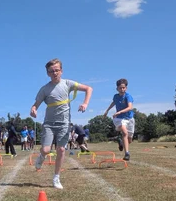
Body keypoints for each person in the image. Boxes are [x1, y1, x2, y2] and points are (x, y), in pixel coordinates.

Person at [30, 58, 93, 190]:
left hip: (64, 123)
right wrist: (33, 109)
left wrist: (85, 103)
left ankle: (56, 177)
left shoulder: (68, 84)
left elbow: (88, 89)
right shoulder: (45, 89)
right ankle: (41, 156)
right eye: (51, 71)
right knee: (46, 150)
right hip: (49, 123)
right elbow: (36, 104)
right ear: (47, 73)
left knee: (61, 149)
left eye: (57, 70)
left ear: (61, 71)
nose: (55, 73)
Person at [104, 78, 134, 161]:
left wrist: (119, 111)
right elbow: (114, 102)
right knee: (124, 132)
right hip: (119, 118)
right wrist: (107, 110)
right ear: (117, 88)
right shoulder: (116, 96)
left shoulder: (128, 96)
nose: (122, 89)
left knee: (129, 140)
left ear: (126, 88)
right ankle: (127, 154)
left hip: (129, 119)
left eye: (123, 88)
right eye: (120, 88)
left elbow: (130, 107)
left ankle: (120, 141)